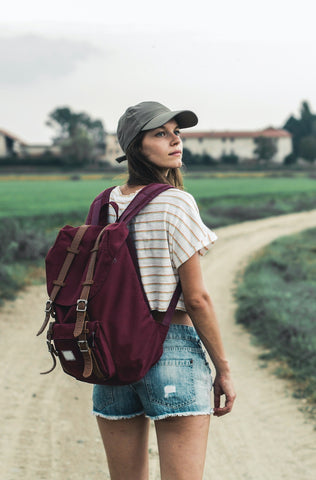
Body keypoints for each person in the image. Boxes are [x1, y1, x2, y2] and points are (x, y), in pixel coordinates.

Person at [92, 101, 236, 480]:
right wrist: (223, 368)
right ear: (136, 146)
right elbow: (197, 298)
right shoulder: (176, 201)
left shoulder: (103, 203)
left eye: (177, 132)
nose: (175, 140)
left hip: (110, 356)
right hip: (170, 347)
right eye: (161, 133)